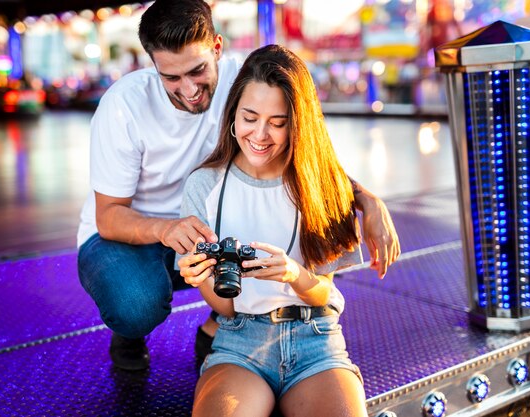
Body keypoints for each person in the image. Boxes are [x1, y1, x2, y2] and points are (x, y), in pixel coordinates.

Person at [76, 0, 400, 372]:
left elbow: (305, 152)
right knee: (135, 305)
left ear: (217, 46)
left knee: (277, 231)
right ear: (153, 65)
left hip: (207, 225)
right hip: (129, 234)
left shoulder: (244, 81)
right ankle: (131, 331)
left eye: (197, 70)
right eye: (171, 77)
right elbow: (109, 217)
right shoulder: (122, 106)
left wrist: (366, 199)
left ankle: (217, 323)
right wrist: (167, 230)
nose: (189, 89)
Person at [178, 44, 368, 417]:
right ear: (233, 114)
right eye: (250, 117)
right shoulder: (204, 186)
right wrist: (199, 278)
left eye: (277, 122)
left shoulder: (323, 185)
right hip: (240, 341)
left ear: (298, 124)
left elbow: (323, 294)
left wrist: (294, 274)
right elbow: (227, 308)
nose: (260, 135)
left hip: (317, 339)